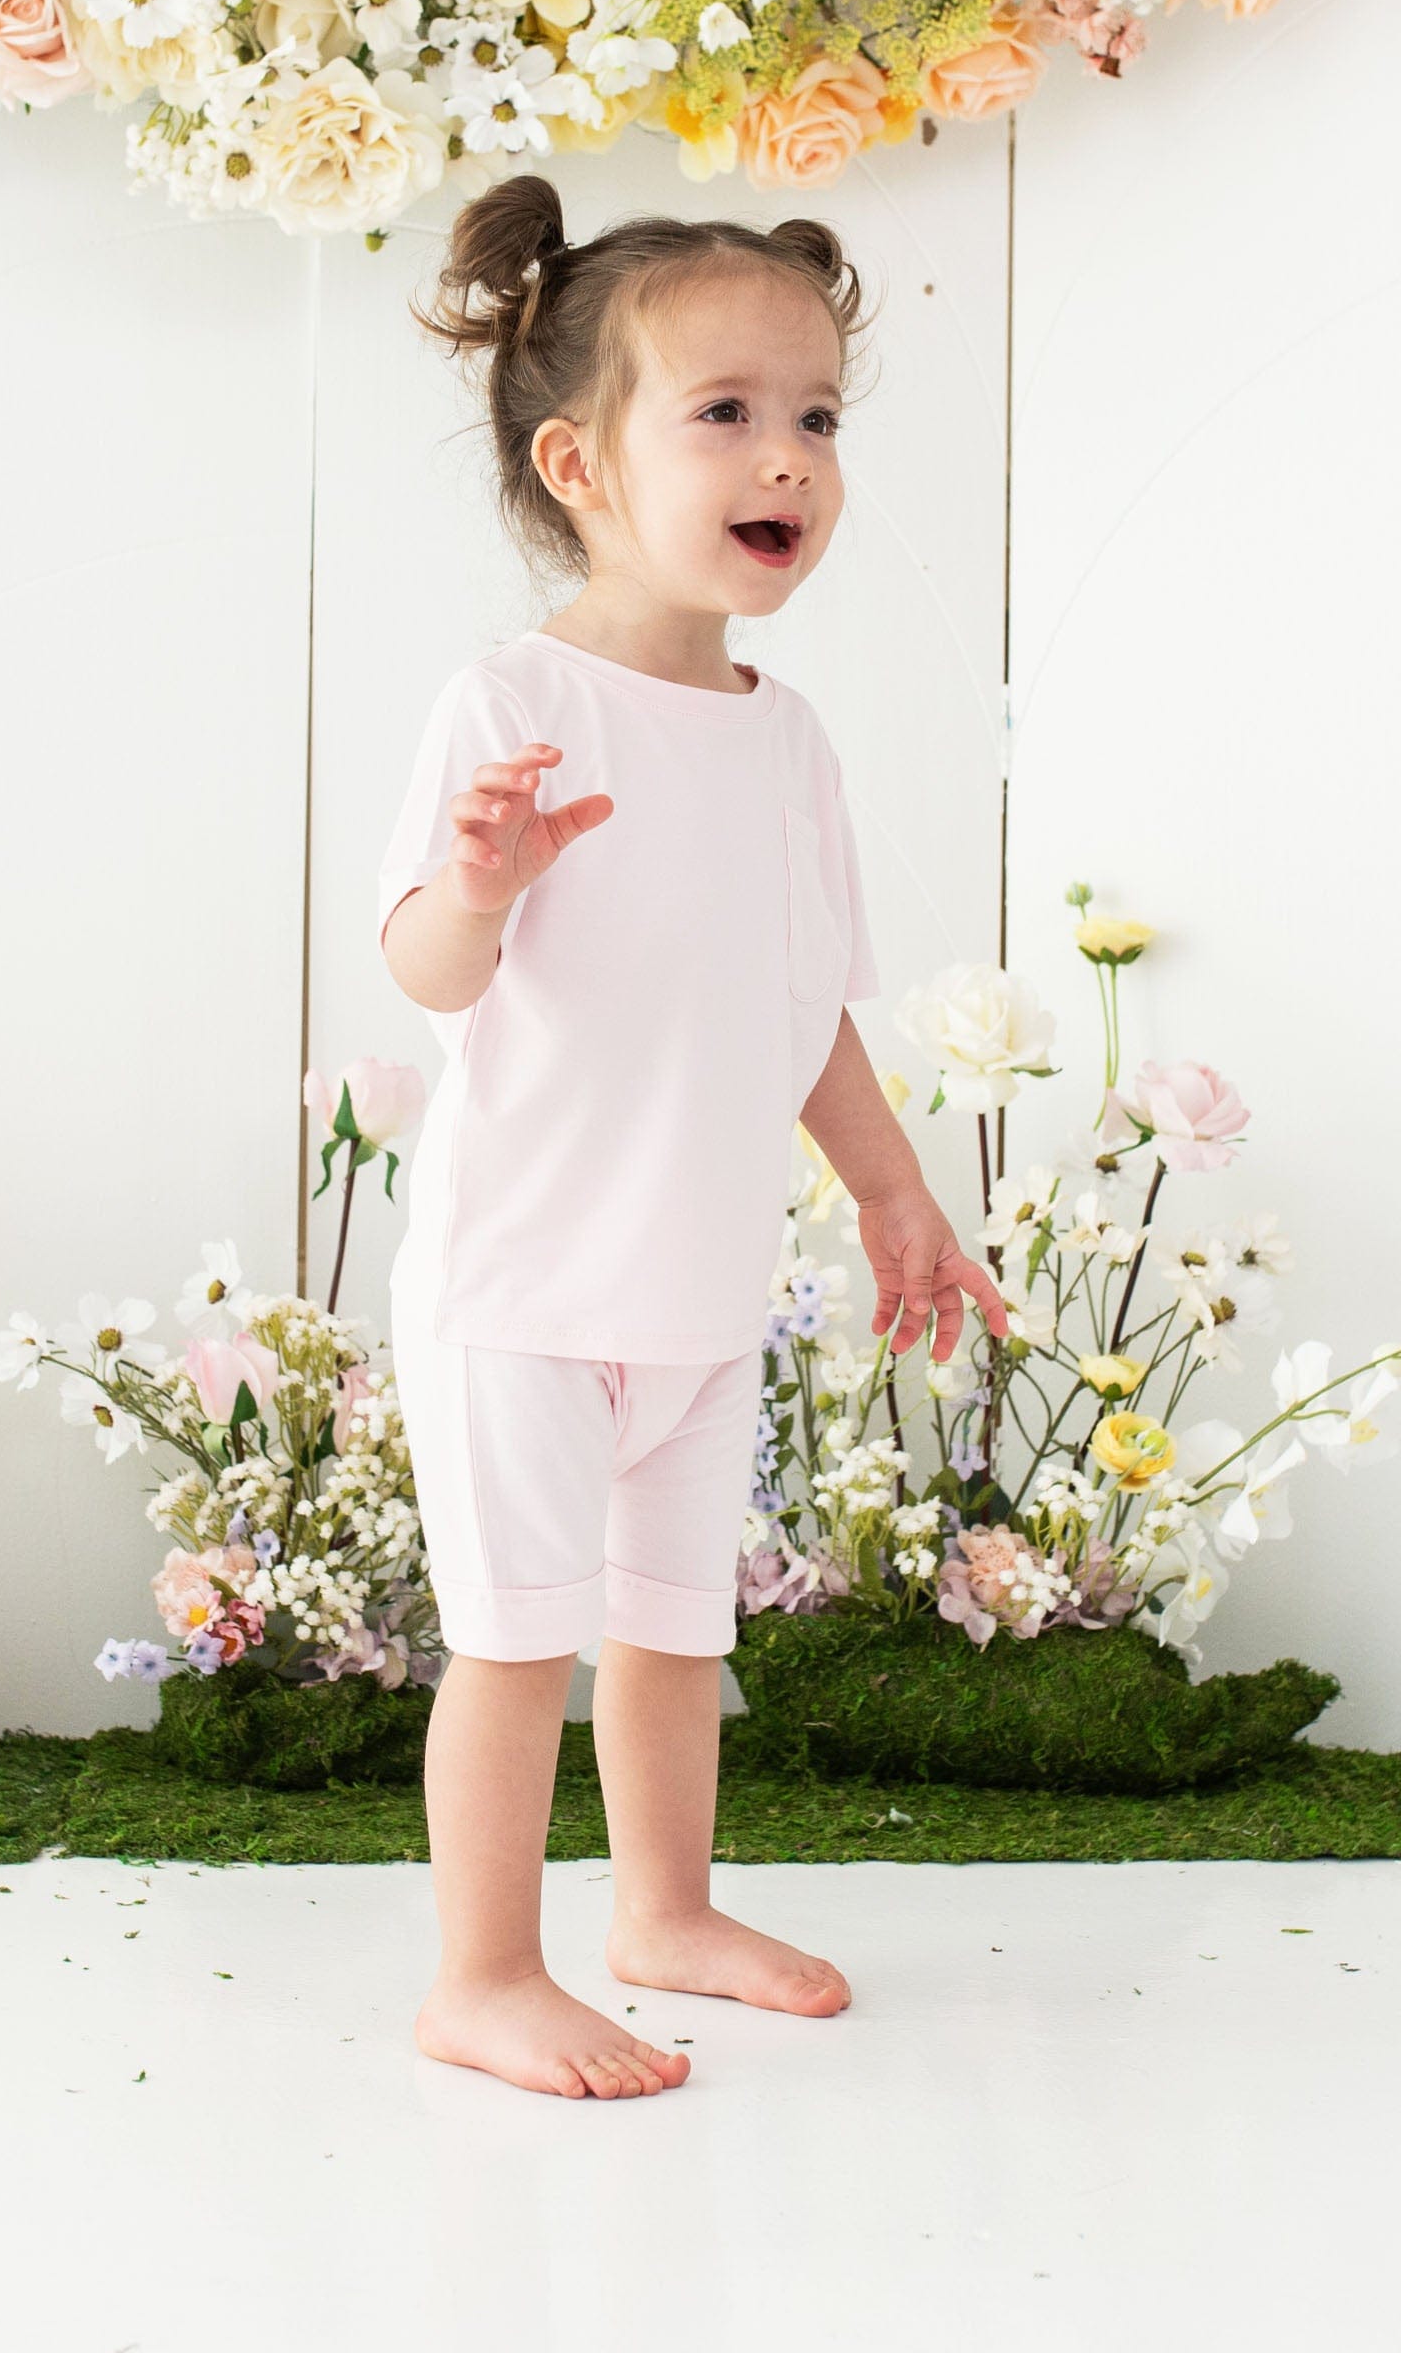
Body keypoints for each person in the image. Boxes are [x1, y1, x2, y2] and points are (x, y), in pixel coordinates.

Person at [378, 172, 1008, 2102]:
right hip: (525, 1288)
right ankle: (483, 1971)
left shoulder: (787, 737)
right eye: (724, 413)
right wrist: (480, 883)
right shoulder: (516, 704)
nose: (789, 458)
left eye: (816, 417)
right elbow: (426, 974)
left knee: (670, 1627)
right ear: (579, 459)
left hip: (697, 1287)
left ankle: (664, 1909)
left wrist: (897, 1195)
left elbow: (803, 1003)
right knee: (514, 1643)